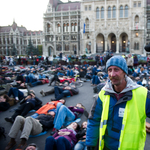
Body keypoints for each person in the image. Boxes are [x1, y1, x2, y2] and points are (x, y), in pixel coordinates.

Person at [86, 55, 150, 150]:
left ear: (124, 72)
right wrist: (91, 144)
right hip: (106, 146)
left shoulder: (142, 94)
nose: (112, 74)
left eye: (116, 69)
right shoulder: (103, 93)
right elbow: (94, 120)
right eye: (109, 70)